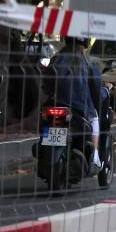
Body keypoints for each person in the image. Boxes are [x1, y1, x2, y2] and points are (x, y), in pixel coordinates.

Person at [46, 35, 104, 172]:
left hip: (55, 104)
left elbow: (46, 82)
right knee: (95, 118)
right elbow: (96, 87)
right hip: (80, 108)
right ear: (85, 42)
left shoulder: (55, 59)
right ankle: (95, 155)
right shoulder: (86, 63)